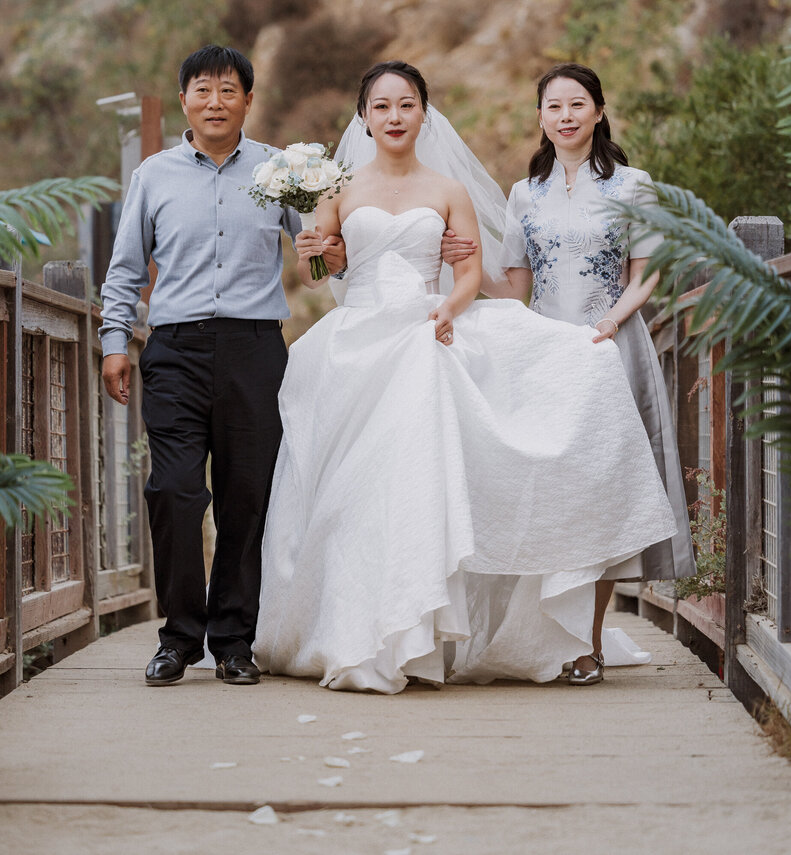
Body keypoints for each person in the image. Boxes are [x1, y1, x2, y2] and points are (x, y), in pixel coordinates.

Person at [253, 60, 678, 693]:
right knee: (355, 489)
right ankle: (353, 623)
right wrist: (323, 256)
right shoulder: (515, 193)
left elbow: (632, 271)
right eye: (381, 106)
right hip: (370, 342)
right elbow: (345, 272)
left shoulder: (474, 188)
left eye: (406, 105)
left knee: (571, 479)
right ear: (363, 118)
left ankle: (578, 641)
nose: (395, 116)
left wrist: (456, 299)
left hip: (574, 343)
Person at [100, 44, 344, 686]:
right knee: (174, 492)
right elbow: (125, 269)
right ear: (184, 99)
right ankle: (179, 637)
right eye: (203, 90)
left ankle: (235, 639)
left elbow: (318, 260)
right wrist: (112, 342)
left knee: (247, 498)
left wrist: (326, 246)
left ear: (248, 100)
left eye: (228, 90)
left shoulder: (278, 169)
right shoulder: (154, 174)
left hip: (255, 350)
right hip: (174, 350)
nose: (215, 101)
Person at [445, 61, 695, 685]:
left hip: (611, 349)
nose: (566, 115)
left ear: (600, 111)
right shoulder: (524, 193)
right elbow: (515, 286)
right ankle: (544, 635)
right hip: (546, 358)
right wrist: (456, 261)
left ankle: (587, 644)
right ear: (540, 118)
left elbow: (650, 273)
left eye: (577, 104)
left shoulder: (635, 185)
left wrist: (609, 323)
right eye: (554, 106)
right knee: (551, 492)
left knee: (599, 495)